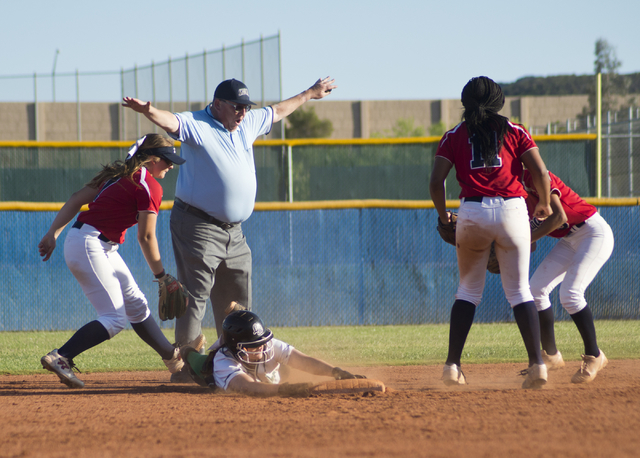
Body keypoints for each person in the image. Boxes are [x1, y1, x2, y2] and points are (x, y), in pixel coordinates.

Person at [122, 76, 337, 382]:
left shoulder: (246, 124)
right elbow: (171, 122)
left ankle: (237, 364)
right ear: (218, 104)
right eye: (237, 106)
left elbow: (276, 111)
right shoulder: (198, 124)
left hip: (234, 231)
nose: (243, 112)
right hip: (196, 224)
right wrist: (149, 111)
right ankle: (186, 370)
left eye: (246, 107)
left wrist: (311, 93)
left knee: (238, 300)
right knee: (194, 296)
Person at [429, 76, 553, 389]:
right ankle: (538, 365)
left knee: (468, 291)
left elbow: (436, 182)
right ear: (498, 102)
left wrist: (445, 217)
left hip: (471, 212)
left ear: (465, 103)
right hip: (513, 211)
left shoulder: (454, 134)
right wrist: (546, 206)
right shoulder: (514, 130)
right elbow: (539, 171)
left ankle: (452, 367)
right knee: (520, 291)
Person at [38, 134, 187, 388]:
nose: (171, 166)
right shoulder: (149, 184)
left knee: (136, 304)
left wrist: (53, 233)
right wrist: (161, 275)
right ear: (151, 159)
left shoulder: (119, 174)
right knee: (115, 317)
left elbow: (76, 197)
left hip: (93, 243)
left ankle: (174, 360)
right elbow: (146, 236)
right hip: (90, 244)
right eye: (166, 160)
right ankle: (61, 356)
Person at [523, 169, 614, 383]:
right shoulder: (515, 196)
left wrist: (525, 239)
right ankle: (552, 356)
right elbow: (532, 243)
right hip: (570, 239)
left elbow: (559, 216)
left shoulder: (534, 177)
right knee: (535, 290)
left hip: (593, 232)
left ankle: (595, 355)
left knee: (571, 294)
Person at [179, 309, 365, 396]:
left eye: (261, 342)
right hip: (208, 369)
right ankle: (184, 349)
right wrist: (284, 389)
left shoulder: (268, 345)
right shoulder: (223, 361)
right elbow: (248, 387)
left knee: (282, 369)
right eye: (253, 345)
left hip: (262, 373)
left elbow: (304, 361)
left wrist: (336, 372)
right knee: (199, 363)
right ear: (236, 347)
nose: (261, 347)